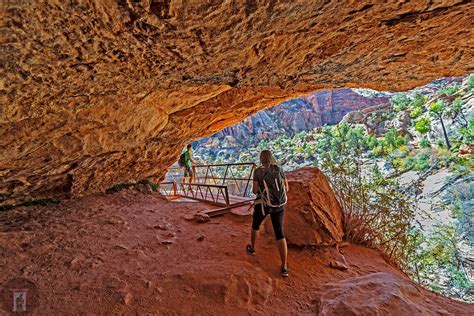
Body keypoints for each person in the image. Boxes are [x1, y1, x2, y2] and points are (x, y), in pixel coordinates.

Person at [246, 150, 289, 277]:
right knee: (280, 234)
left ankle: (252, 248)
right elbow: (286, 187)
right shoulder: (279, 168)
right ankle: (284, 266)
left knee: (255, 225)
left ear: (261, 159)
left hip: (264, 204)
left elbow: (254, 191)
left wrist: (262, 189)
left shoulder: (258, 171)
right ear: (271, 158)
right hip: (279, 205)